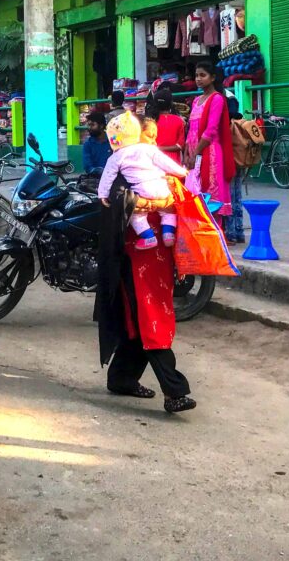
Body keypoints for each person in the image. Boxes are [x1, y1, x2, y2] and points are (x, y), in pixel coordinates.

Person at [95, 168, 196, 414]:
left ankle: (122, 378)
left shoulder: (163, 175)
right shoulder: (120, 175)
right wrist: (158, 201)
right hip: (135, 262)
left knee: (140, 323)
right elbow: (121, 202)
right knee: (149, 321)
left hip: (159, 264)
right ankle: (174, 391)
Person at [98, 112, 187, 250]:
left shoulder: (117, 156)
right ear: (137, 134)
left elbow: (106, 177)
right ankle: (168, 233)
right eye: (150, 136)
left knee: (136, 217)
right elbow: (167, 163)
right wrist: (182, 172)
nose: (155, 142)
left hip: (142, 191)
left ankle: (147, 237)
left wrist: (102, 194)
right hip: (161, 189)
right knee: (168, 212)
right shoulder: (149, 150)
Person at [184, 62, 235, 220]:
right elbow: (191, 128)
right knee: (195, 192)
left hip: (210, 153)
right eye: (197, 75)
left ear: (212, 78)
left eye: (202, 75)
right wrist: (187, 152)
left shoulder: (217, 99)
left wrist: (196, 154)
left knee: (211, 195)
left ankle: (216, 234)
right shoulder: (196, 100)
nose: (198, 79)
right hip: (194, 153)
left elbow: (211, 130)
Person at [225, 97, 247, 245]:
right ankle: (239, 232)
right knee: (237, 195)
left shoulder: (222, 99)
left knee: (230, 196)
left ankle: (231, 232)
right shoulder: (231, 99)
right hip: (240, 158)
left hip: (230, 158)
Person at [151, 87, 186, 165]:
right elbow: (180, 146)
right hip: (173, 163)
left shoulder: (150, 121)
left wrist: (157, 148)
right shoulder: (179, 120)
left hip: (154, 162)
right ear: (171, 103)